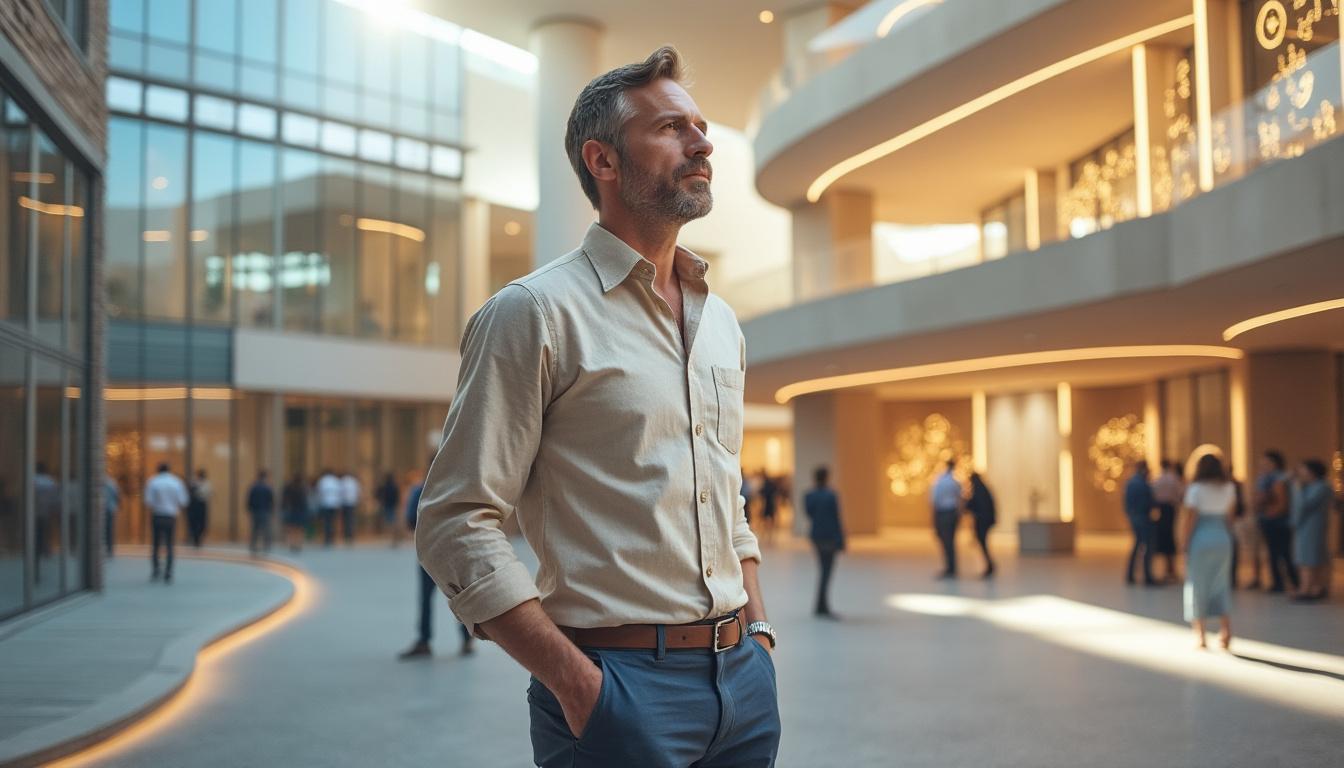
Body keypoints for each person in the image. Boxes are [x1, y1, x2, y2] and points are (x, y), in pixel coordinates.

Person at [415, 47, 779, 766]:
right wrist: (578, 685)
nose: (703, 143)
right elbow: (455, 519)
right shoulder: (533, 313)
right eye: (672, 128)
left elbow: (725, 496)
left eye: (701, 126)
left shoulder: (721, 323)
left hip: (742, 684)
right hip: (613, 687)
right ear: (603, 162)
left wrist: (759, 634)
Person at [399, 472, 473, 659]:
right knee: (460, 596)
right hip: (455, 551)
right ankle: (467, 639)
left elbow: (410, 520)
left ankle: (424, 640)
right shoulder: (459, 488)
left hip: (429, 552)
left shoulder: (420, 490)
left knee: (425, 598)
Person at [1181, 452, 1236, 650]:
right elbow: (1230, 518)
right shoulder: (1229, 488)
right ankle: (1226, 632)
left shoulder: (1195, 489)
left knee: (1198, 584)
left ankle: (1201, 636)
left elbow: (1190, 519)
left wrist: (1184, 542)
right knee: (1221, 583)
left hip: (1201, 538)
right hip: (1222, 537)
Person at [1254, 450, 1298, 593]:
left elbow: (1282, 503)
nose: (1263, 464)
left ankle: (1286, 583)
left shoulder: (1279, 479)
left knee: (1282, 553)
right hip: (1271, 520)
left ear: (1275, 463)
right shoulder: (1266, 479)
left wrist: (1270, 513)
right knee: (1279, 553)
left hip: (1277, 521)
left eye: (1266, 462)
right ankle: (1287, 582)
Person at [804, 466, 845, 618]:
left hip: (817, 536)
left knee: (824, 570)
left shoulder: (810, 495)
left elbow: (809, 513)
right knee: (826, 571)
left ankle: (821, 605)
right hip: (829, 537)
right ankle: (822, 606)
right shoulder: (831, 495)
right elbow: (836, 518)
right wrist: (841, 539)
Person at [1289, 459, 1332, 601]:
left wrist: (1298, 489)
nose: (1300, 472)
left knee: (1309, 558)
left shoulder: (1321, 487)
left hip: (1313, 527)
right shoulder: (1310, 486)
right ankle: (1311, 587)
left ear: (1312, 472)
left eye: (1303, 469)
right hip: (1304, 526)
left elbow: (1304, 505)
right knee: (1305, 556)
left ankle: (1307, 589)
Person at [144, 463, 189, 583]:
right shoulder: (176, 482)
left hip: (157, 515)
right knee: (170, 545)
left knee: (156, 544)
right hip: (171, 517)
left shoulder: (153, 481)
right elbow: (183, 501)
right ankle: (168, 572)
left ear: (157, 470)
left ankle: (156, 570)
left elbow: (148, 501)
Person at [1123, 461, 1157, 586]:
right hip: (1142, 517)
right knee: (1147, 546)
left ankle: (1131, 575)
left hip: (1135, 517)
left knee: (1137, 545)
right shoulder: (1142, 484)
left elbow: (1126, 503)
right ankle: (1147, 576)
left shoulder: (1131, 483)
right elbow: (1149, 502)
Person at [1151, 459, 1182, 581]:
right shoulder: (1173, 478)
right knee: (1169, 539)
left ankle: (1169, 569)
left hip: (1161, 510)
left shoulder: (1157, 479)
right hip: (1170, 509)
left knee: (1165, 539)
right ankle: (1171, 570)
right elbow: (1180, 493)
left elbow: (1153, 493)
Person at [931, 459, 963, 578]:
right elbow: (960, 499)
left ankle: (950, 567)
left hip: (943, 513)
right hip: (951, 513)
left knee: (946, 541)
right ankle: (951, 567)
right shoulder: (954, 482)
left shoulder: (941, 481)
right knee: (950, 541)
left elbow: (934, 499)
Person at [965, 472, 997, 579]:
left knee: (983, 543)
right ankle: (989, 565)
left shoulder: (979, 491)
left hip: (983, 521)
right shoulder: (983, 489)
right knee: (983, 543)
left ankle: (990, 565)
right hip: (984, 521)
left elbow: (974, 505)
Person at [246, 470, 275, 554]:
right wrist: (271, 510)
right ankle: (266, 545)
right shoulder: (267, 488)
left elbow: (249, 500)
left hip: (255, 511)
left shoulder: (253, 487)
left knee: (255, 529)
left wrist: (249, 509)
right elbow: (271, 500)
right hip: (265, 511)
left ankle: (253, 545)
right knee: (266, 529)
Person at [282, 473, 308, 553]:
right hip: (300, 510)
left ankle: (292, 543)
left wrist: (284, 507)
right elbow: (304, 501)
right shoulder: (302, 488)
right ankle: (299, 544)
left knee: (292, 528)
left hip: (292, 509)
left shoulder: (289, 487)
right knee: (300, 528)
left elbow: (284, 499)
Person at [315, 469, 342, 547]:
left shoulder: (323, 480)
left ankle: (327, 538)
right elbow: (339, 493)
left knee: (327, 522)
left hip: (325, 503)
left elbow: (319, 492)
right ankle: (332, 537)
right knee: (333, 522)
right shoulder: (336, 480)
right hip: (334, 504)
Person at [186, 468, 211, 548]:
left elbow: (207, 493)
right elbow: (190, 491)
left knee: (202, 523)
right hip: (194, 505)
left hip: (202, 504)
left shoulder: (206, 484)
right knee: (193, 522)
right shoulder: (193, 482)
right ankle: (195, 539)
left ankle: (198, 538)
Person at [377, 472, 402, 546]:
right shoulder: (395, 486)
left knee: (391, 523)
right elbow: (397, 496)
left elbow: (380, 495)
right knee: (394, 523)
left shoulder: (385, 487)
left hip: (387, 506)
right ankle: (395, 539)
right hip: (393, 506)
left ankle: (394, 539)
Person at [339, 469, 361, 544]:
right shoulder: (354, 481)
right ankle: (350, 535)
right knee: (351, 519)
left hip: (345, 502)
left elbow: (340, 492)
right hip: (352, 502)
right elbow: (358, 492)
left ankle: (346, 535)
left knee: (345, 520)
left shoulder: (343, 481)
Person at [758, 470, 778, 542]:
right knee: (768, 519)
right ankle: (768, 534)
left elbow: (762, 492)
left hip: (768, 503)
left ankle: (767, 534)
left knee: (766, 519)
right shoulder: (771, 484)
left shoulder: (766, 484)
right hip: (770, 503)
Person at [103, 472, 121, 557]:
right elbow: (117, 495)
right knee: (109, 530)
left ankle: (106, 549)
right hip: (110, 509)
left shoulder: (100, 484)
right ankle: (109, 550)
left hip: (103, 509)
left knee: (104, 530)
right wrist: (118, 505)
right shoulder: (112, 483)